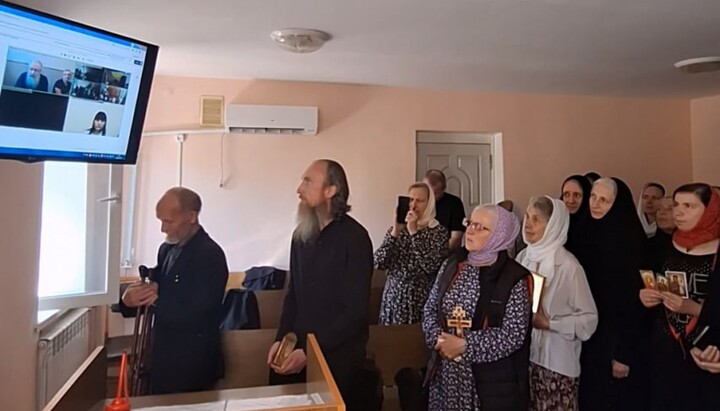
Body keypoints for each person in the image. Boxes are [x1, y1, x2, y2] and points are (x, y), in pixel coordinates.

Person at [268, 159, 373, 411]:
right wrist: (281, 341)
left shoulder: (355, 238)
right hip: (298, 352)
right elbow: (293, 296)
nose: (299, 190)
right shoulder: (300, 235)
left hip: (339, 358)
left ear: (331, 190)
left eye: (307, 181)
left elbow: (355, 312)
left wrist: (312, 352)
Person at [120, 187, 229, 394]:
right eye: (160, 221)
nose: (163, 229)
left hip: (192, 362)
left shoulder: (210, 255)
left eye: (168, 222)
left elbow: (201, 311)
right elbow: (158, 286)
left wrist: (156, 301)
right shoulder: (167, 249)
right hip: (161, 355)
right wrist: (130, 298)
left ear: (191, 217)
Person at [423, 204, 532, 411]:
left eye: (480, 227)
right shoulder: (453, 264)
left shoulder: (513, 278)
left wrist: (465, 345)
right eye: (470, 223)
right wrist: (438, 339)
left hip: (488, 383)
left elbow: (513, 335)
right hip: (447, 375)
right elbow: (430, 309)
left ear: (499, 235)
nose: (470, 230)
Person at [639, 183, 720, 411]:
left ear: (710, 210)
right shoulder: (668, 244)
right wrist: (648, 296)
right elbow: (661, 284)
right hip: (668, 349)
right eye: (676, 204)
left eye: (689, 206)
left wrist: (693, 308)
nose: (678, 212)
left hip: (709, 351)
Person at [516, 196, 598, 410]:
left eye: (537, 219)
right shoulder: (523, 257)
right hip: (527, 359)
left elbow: (589, 320)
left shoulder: (569, 266)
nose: (528, 223)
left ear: (553, 225)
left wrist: (551, 324)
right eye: (527, 216)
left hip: (558, 364)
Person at [572, 177, 646, 411]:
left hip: (615, 339)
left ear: (617, 204)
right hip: (586, 337)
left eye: (604, 200)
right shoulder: (583, 233)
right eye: (593, 197)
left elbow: (637, 302)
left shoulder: (632, 242)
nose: (595, 204)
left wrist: (624, 353)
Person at [374, 182, 448, 324]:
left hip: (421, 298)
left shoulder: (438, 232)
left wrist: (414, 232)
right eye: (410, 200)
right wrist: (395, 232)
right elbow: (379, 262)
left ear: (429, 204)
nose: (413, 205)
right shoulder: (395, 230)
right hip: (395, 298)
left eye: (419, 201)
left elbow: (431, 266)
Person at [423, 169, 466, 251]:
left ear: (443, 188)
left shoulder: (454, 203)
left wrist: (438, 255)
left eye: (435, 194)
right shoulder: (417, 202)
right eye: (429, 193)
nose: (431, 197)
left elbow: (456, 238)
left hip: (446, 254)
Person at [560, 175, 593, 255]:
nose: (571, 201)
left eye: (577, 195)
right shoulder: (557, 223)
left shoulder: (592, 228)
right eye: (566, 195)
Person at [642, 196, 676, 272]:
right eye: (659, 209)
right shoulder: (647, 246)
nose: (662, 212)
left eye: (670, 209)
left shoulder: (693, 247)